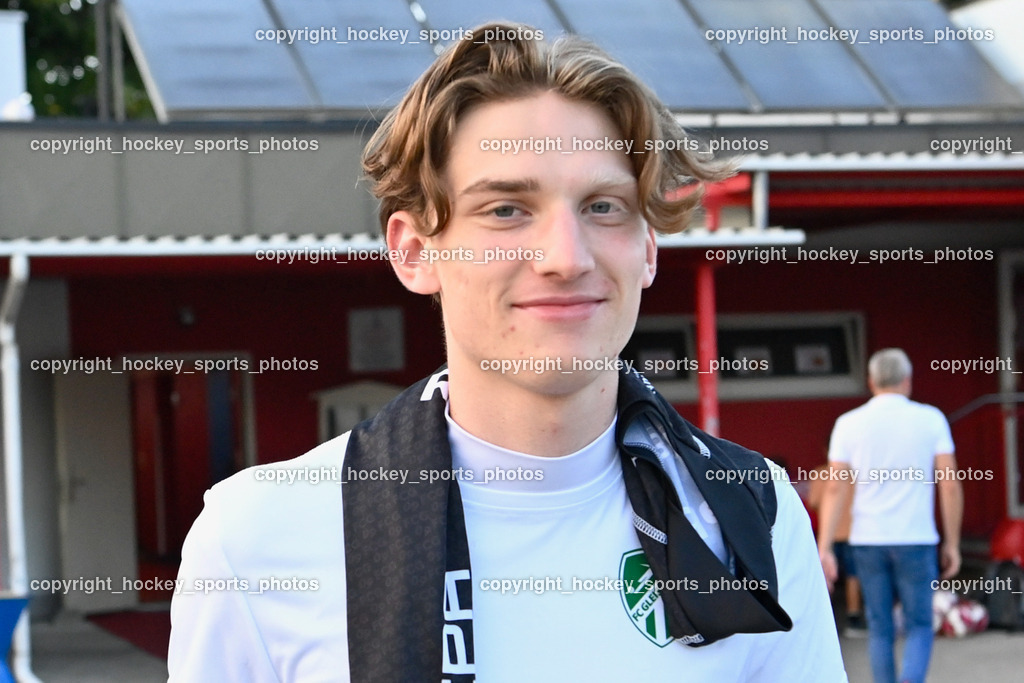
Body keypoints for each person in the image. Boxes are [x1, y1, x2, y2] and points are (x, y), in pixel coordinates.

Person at [168, 22, 846, 681]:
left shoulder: (751, 509)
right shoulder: (258, 538)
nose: (565, 257)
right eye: (506, 210)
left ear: (647, 249)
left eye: (603, 206)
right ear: (413, 251)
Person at [817, 348, 963, 683]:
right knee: (920, 625)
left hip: (868, 539)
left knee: (880, 628)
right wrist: (952, 543)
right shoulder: (931, 419)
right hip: (917, 539)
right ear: (908, 380)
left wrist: (824, 547)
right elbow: (950, 485)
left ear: (870, 381)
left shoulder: (848, 423)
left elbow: (836, 488)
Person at [808, 463, 864, 632]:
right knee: (853, 576)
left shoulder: (820, 474)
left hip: (828, 533)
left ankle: (822, 620)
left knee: (824, 575)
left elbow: (813, 502)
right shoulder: (858, 473)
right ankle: (853, 619)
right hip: (854, 532)